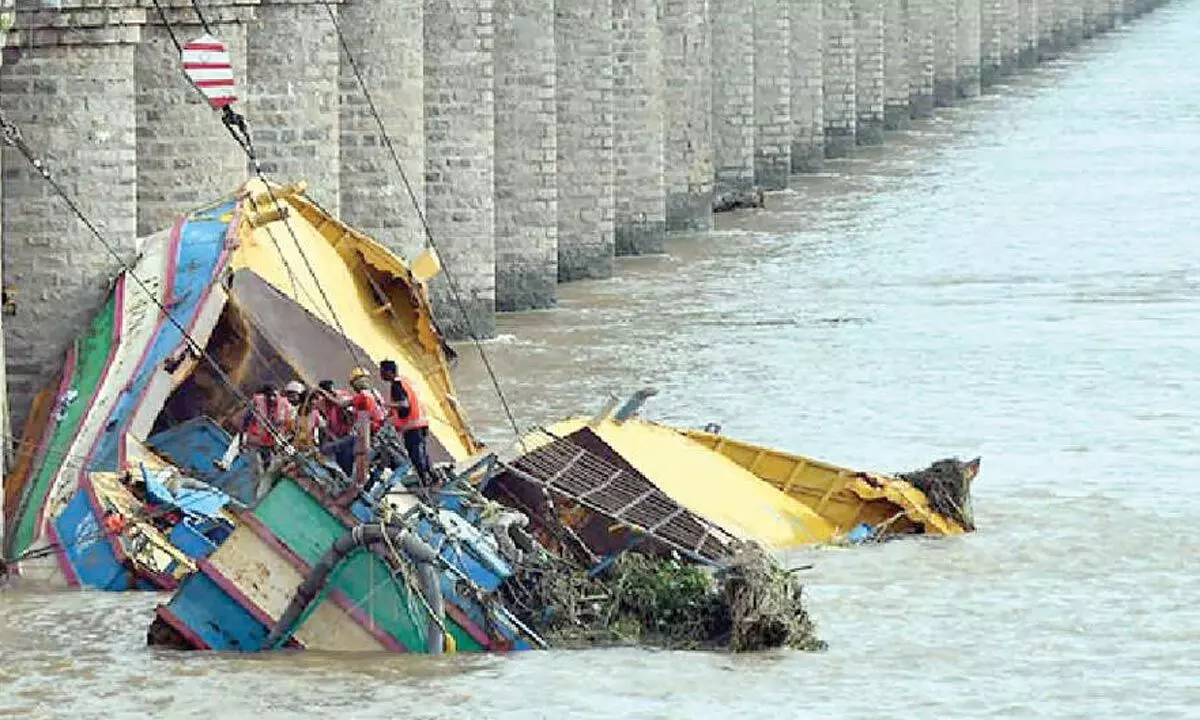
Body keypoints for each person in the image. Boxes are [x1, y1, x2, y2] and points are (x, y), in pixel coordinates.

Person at [386, 366, 434, 488]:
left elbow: (404, 404)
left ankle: (424, 483)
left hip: (412, 426)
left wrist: (386, 404)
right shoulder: (406, 381)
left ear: (390, 372)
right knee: (423, 453)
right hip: (422, 423)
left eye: (383, 372)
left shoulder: (396, 385)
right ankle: (434, 477)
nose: (381, 375)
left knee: (416, 456)